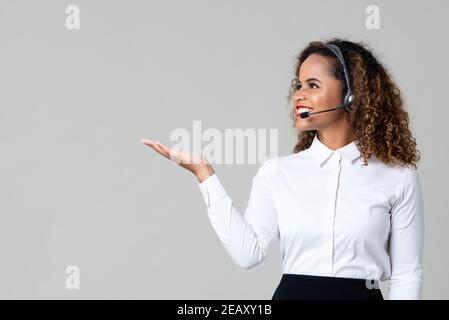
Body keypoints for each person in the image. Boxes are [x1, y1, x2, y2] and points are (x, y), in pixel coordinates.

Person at [141, 38, 424, 300]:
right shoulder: (277, 173)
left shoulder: (397, 176)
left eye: (312, 85)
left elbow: (406, 274)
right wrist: (204, 174)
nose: (299, 95)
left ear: (351, 95)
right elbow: (247, 254)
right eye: (298, 85)